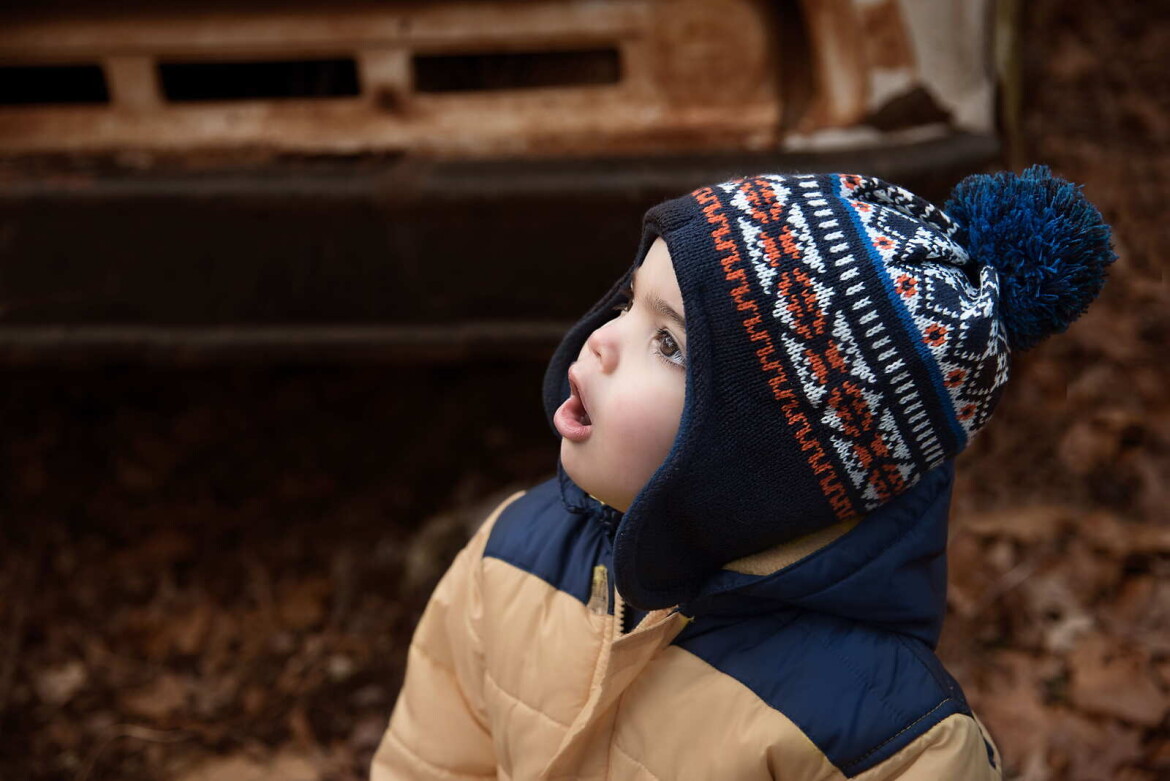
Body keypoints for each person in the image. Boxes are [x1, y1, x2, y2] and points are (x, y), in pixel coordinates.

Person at [371, 166, 1114, 780]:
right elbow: (428, 760)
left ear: (763, 457)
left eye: (668, 343)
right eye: (630, 302)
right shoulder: (513, 554)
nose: (599, 341)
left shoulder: (887, 743)